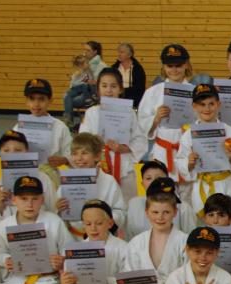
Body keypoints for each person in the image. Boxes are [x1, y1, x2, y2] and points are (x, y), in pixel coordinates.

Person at [175, 83, 231, 227]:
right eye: (202, 104)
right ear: (194, 106)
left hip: (224, 184)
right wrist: (190, 162)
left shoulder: (229, 132)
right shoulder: (188, 135)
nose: (207, 109)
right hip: (202, 185)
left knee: (228, 223)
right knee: (201, 227)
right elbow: (180, 160)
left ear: (218, 104)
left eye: (211, 104)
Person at [79, 68, 148, 198]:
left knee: (127, 205)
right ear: (98, 89)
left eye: (113, 86)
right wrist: (97, 143)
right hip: (99, 166)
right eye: (104, 86)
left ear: (121, 89)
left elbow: (139, 139)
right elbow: (83, 141)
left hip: (124, 167)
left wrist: (124, 148)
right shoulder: (91, 113)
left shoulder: (130, 112)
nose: (109, 90)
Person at [139, 44, 193, 191]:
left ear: (186, 65)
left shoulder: (195, 92)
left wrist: (190, 129)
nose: (174, 70)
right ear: (163, 67)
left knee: (187, 193)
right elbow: (141, 123)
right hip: (162, 151)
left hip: (186, 151)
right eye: (170, 66)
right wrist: (156, 118)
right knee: (162, 194)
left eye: (178, 65)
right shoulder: (152, 92)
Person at [54, 132, 127, 239]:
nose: (79, 158)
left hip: (103, 238)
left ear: (97, 156)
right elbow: (59, 216)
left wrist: (102, 221)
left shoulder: (109, 181)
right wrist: (58, 209)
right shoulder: (67, 181)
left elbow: (121, 212)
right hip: (73, 237)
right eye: (74, 153)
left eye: (84, 153)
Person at [125, 177, 187, 284]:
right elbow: (128, 277)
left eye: (166, 212)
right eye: (155, 212)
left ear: (175, 212)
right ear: (147, 213)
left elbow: (190, 276)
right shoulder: (136, 243)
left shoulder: (184, 241)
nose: (160, 217)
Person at [14, 78, 72, 168]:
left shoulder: (60, 127)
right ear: (26, 101)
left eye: (41, 99)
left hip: (49, 174)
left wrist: (65, 160)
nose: (36, 104)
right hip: (24, 170)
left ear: (50, 101)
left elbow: (71, 154)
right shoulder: (18, 128)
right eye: (32, 99)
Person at [125, 160, 169, 241]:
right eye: (148, 178)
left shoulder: (183, 208)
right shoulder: (134, 204)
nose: (154, 182)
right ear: (142, 184)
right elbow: (129, 238)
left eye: (159, 178)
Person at [111, 43, 147, 107]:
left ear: (129, 55)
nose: (119, 54)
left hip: (132, 99)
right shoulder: (114, 68)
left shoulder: (137, 68)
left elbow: (140, 88)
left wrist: (123, 91)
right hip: (116, 97)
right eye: (118, 52)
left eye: (122, 52)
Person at [63, 55, 95, 127]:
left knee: (85, 86)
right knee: (67, 95)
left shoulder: (89, 71)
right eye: (87, 63)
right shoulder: (78, 72)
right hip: (76, 88)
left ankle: (88, 100)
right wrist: (74, 78)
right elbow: (72, 84)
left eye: (88, 62)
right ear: (81, 65)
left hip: (84, 88)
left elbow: (89, 81)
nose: (88, 64)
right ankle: (68, 119)